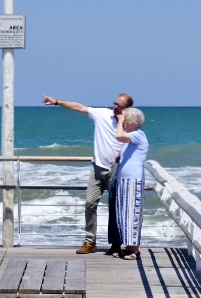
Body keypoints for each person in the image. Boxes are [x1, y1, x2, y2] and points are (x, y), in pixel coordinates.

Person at [42, 93, 133, 255]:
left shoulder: (129, 124)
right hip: (97, 168)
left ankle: (116, 243)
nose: (115, 107)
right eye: (115, 103)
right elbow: (80, 107)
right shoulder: (103, 114)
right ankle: (90, 241)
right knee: (90, 203)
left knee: (115, 208)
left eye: (119, 106)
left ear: (127, 108)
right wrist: (57, 102)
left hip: (116, 170)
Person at [113, 107, 149, 260]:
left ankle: (134, 249)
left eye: (125, 120)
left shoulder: (138, 134)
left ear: (133, 122)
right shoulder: (131, 138)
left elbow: (119, 136)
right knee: (124, 214)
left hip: (133, 180)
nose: (123, 123)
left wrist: (120, 121)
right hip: (125, 180)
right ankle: (128, 246)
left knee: (132, 213)